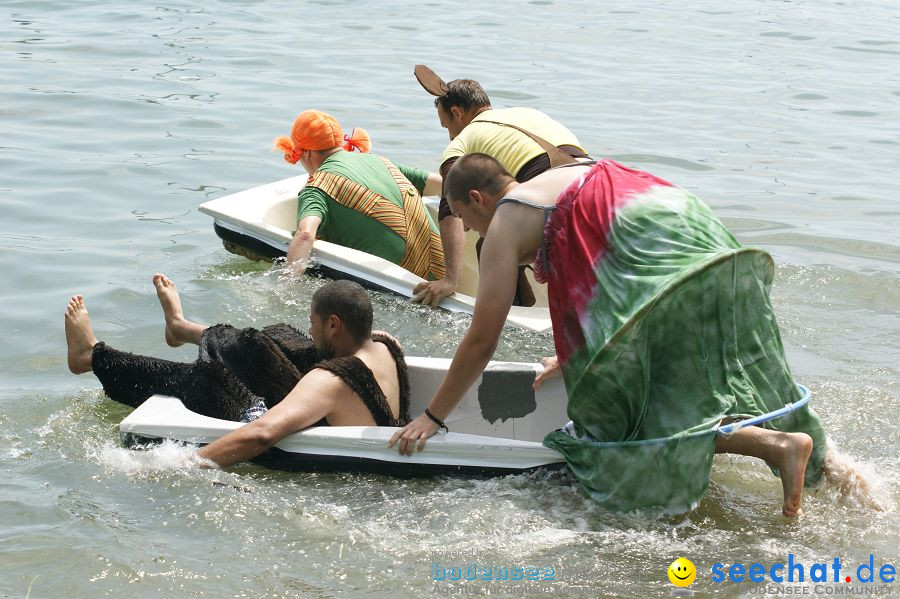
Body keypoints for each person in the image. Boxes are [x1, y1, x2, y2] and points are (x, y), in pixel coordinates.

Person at [389, 153, 874, 516]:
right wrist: (573, 357)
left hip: (655, 253)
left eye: (469, 223)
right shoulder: (560, 177)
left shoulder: (507, 220)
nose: (475, 233)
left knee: (620, 417)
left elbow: (481, 338)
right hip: (694, 233)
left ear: (477, 199)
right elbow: (597, 275)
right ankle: (806, 456)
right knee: (691, 375)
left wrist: (433, 416)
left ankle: (776, 447)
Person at [65, 275, 410, 468]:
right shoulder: (385, 345)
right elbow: (314, 349)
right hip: (333, 413)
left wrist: (179, 464)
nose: (311, 328)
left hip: (301, 433)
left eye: (314, 322)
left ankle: (90, 356)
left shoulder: (329, 383)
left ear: (334, 324)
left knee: (204, 379)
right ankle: (181, 328)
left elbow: (261, 436)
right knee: (269, 340)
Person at [410, 65, 590, 307]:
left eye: (447, 126)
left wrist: (450, 279)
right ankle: (525, 305)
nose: (450, 136)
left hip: (553, 196)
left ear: (457, 112)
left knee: (491, 243)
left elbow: (450, 206)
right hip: (596, 179)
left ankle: (510, 317)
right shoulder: (527, 113)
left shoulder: (461, 141)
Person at [274, 109, 445, 282]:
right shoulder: (380, 161)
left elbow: (305, 235)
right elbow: (443, 184)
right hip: (442, 271)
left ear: (306, 152)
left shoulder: (316, 187)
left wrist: (287, 282)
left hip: (404, 285)